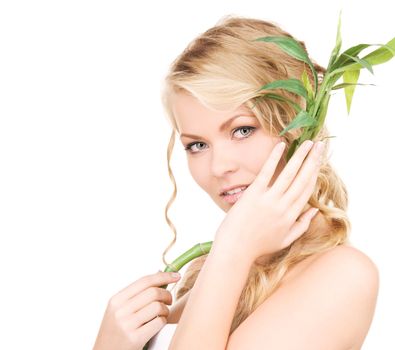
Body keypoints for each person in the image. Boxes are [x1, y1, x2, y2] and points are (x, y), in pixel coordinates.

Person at [93, 15, 379, 350]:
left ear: (300, 125)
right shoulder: (206, 272)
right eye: (197, 145)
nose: (219, 167)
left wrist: (233, 248)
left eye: (242, 130)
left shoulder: (343, 275)